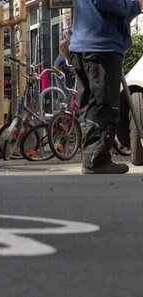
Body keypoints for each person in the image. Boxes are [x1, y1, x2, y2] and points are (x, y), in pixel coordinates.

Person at [69, 0, 143, 174]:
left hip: (83, 45)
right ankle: (97, 159)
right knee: (104, 103)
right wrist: (135, 6)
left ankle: (91, 157)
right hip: (101, 46)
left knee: (89, 103)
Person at [53, 39, 76, 106]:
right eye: (70, 45)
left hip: (62, 93)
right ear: (66, 46)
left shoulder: (58, 58)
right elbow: (75, 72)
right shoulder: (64, 60)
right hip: (67, 94)